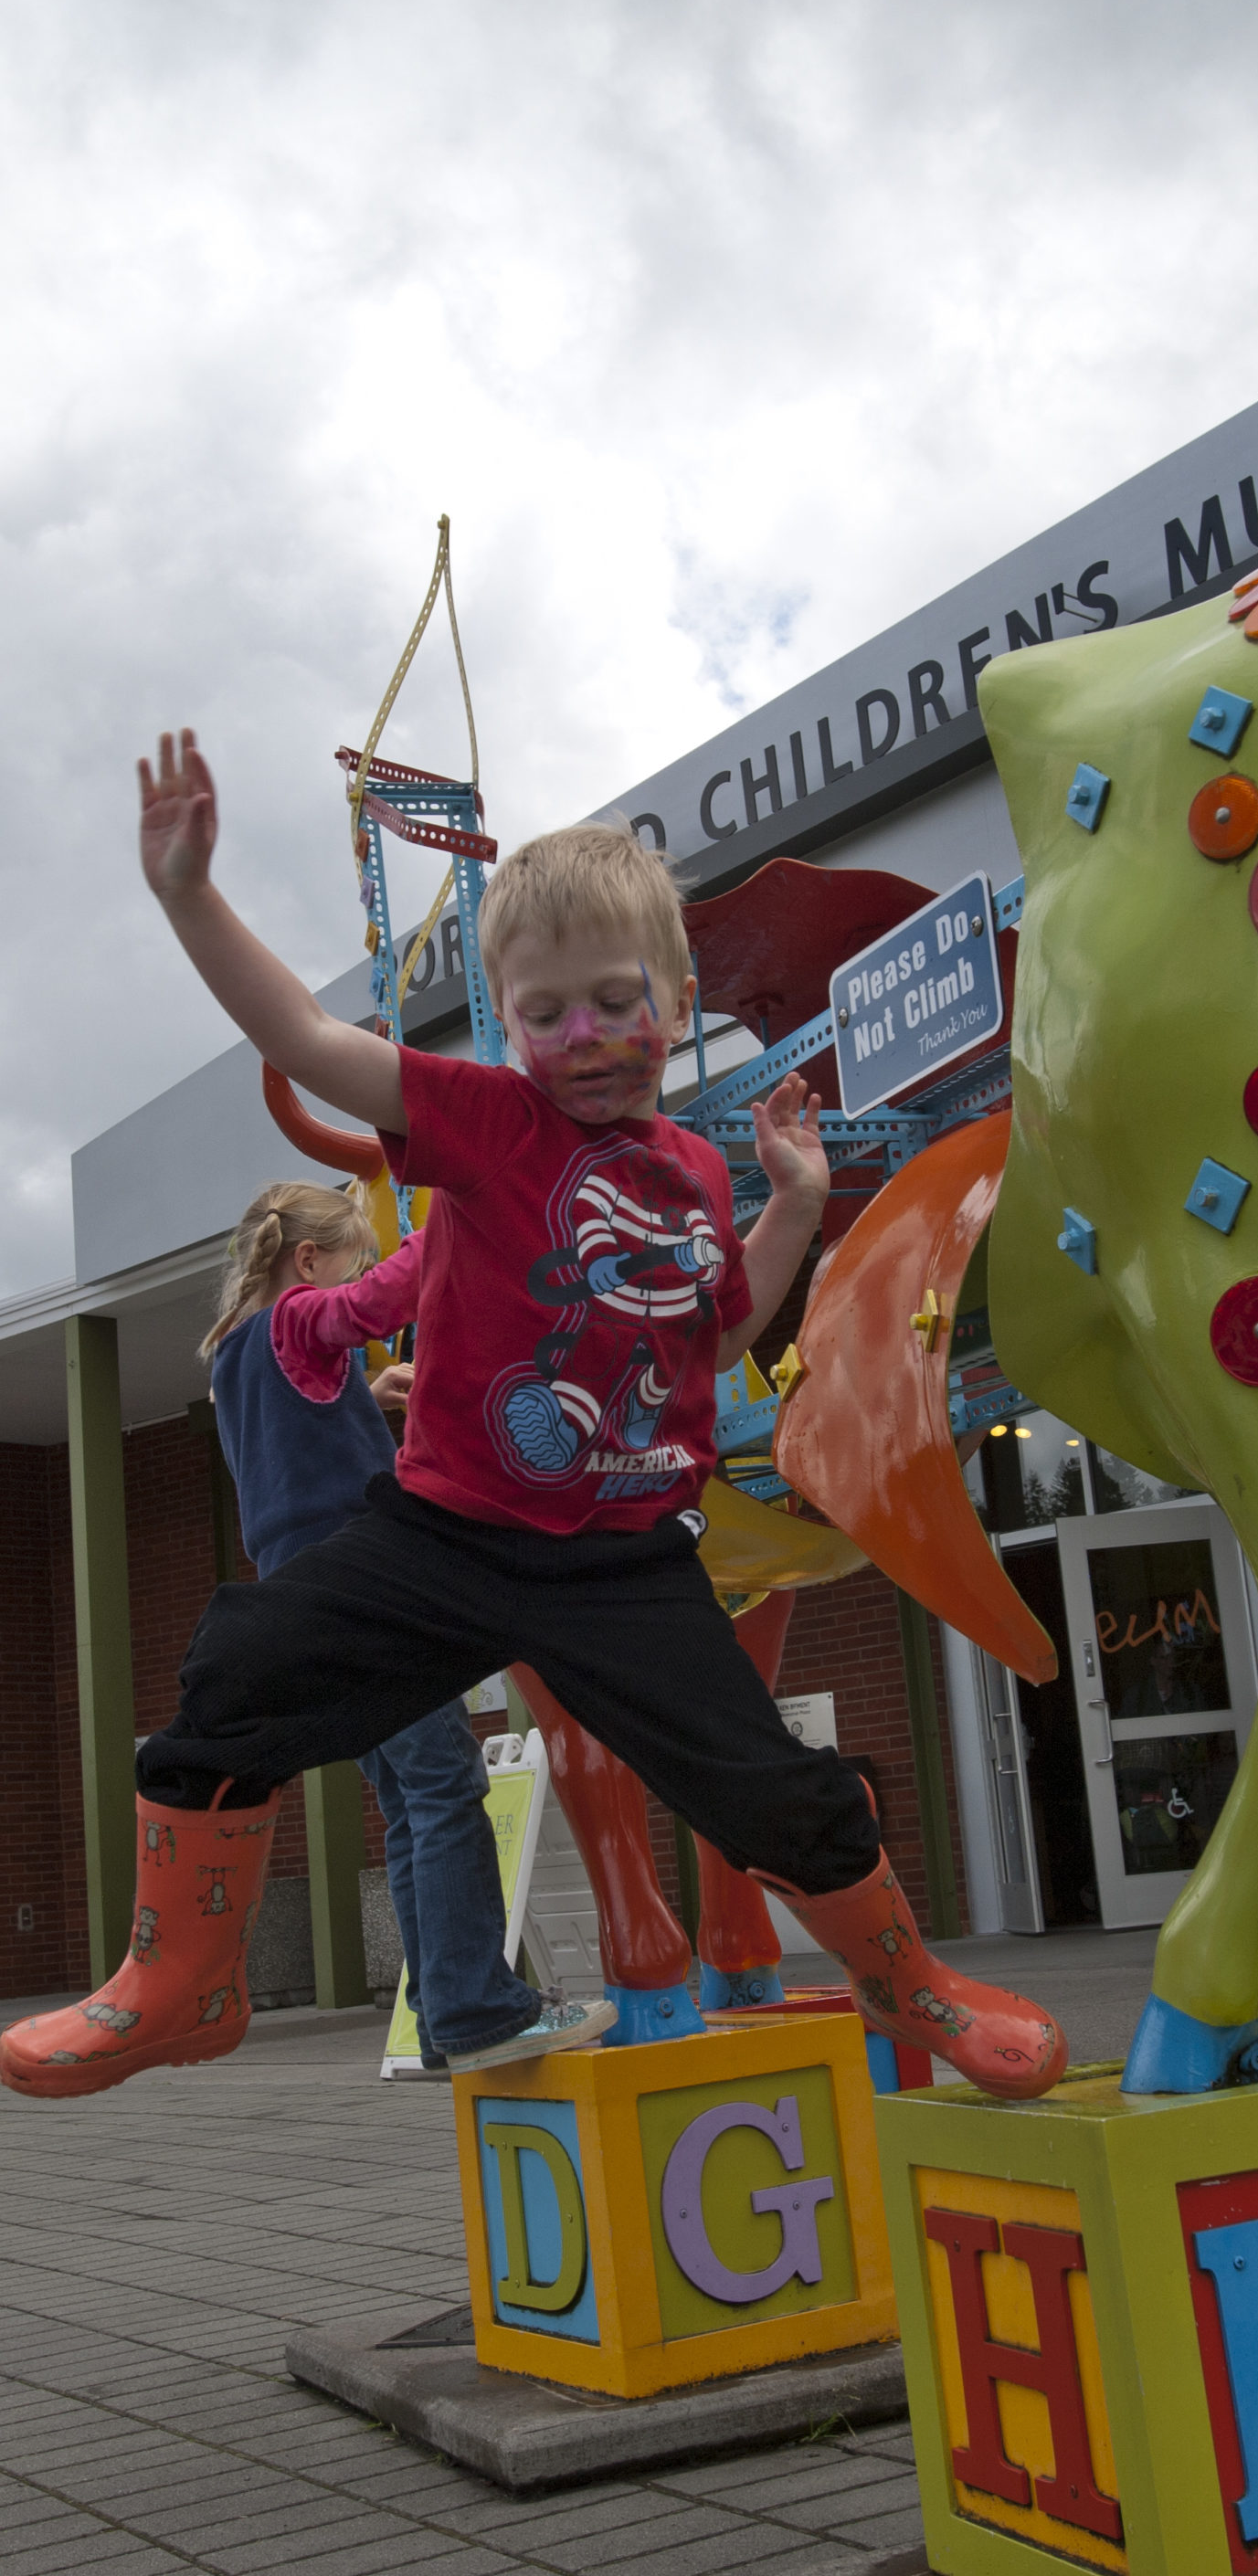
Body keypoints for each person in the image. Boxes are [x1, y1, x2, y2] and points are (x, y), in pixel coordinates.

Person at [1, 733, 1063, 2104]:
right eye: (546, 1012)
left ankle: (914, 1987)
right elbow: (308, 1042)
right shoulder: (487, 1124)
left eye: (616, 1001)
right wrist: (191, 896)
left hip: (625, 1562)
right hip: (447, 1534)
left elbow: (720, 1332)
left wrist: (792, 1203)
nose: (586, 1037)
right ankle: (178, 1981)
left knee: (771, 1788)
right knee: (239, 1668)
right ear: (504, 1023)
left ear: (677, 1000)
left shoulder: (691, 1172)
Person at [203, 1186, 594, 2075]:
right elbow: (379, 1301)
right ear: (306, 1264)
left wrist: (367, 1392)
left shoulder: (233, 1349)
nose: (356, 1282)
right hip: (362, 1580)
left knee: (414, 1795)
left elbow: (295, 1435)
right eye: (351, 1258)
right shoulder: (301, 1317)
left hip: (296, 1591)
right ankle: (476, 2009)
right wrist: (468, 1205)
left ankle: (443, 2009)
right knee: (447, 1784)